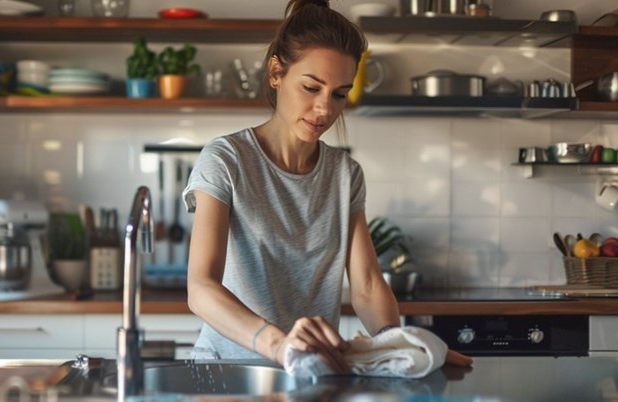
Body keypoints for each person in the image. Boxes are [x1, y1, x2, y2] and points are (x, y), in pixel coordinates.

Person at [182, 0, 473, 372]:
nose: (324, 109)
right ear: (276, 73)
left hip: (312, 370)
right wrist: (279, 344)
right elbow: (201, 288)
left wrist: (399, 348)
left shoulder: (344, 174)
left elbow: (367, 285)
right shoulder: (226, 160)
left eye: (338, 94)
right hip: (229, 371)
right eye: (311, 87)